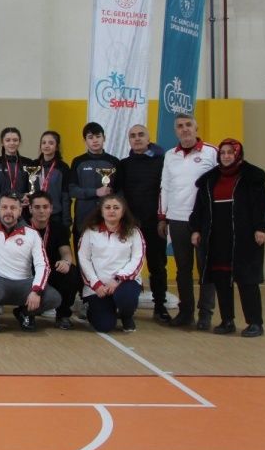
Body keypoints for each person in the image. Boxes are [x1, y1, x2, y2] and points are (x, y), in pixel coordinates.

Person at [190, 138, 265, 337]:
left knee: (247, 280)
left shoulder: (252, 177)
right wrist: (196, 229)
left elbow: (262, 204)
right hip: (217, 237)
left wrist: (261, 228)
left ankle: (255, 323)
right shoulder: (210, 179)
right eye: (223, 153)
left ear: (238, 155)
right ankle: (227, 321)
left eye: (230, 153)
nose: (226, 156)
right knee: (221, 279)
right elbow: (200, 208)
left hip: (244, 237)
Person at [159, 114, 219, 329]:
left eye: (188, 125)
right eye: (180, 126)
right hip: (177, 219)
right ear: (175, 131)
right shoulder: (170, 155)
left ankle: (205, 314)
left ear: (196, 128)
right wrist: (162, 217)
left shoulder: (212, 152)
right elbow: (165, 186)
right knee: (183, 269)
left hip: (204, 221)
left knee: (205, 269)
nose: (184, 129)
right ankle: (186, 313)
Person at [0, 193, 61, 332]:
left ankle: (25, 313)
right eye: (4, 207)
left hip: (25, 283)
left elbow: (43, 265)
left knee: (54, 298)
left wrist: (36, 291)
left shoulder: (32, 233)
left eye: (13, 208)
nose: (8, 211)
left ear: (20, 210)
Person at [116, 124, 170, 322]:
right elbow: (119, 194)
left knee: (157, 266)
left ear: (148, 139)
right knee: (124, 265)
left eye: (141, 135)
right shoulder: (123, 165)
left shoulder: (162, 162)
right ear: (129, 141)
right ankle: (123, 305)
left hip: (154, 224)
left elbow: (166, 191)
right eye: (132, 136)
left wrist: (163, 219)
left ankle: (160, 305)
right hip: (130, 225)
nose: (137, 138)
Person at [77, 194, 145, 333]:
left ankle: (126, 316)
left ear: (123, 211)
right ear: (101, 211)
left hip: (124, 282)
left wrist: (118, 279)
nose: (111, 211)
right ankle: (95, 308)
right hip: (98, 288)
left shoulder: (134, 231)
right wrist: (96, 284)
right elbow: (83, 259)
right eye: (107, 207)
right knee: (104, 326)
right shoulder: (90, 231)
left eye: (116, 207)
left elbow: (137, 259)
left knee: (126, 297)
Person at [27, 192, 79, 329]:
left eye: (45, 207)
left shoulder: (59, 228)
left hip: (50, 271)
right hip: (28, 272)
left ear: (51, 208)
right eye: (37, 207)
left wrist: (66, 262)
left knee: (71, 272)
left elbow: (66, 252)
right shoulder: (23, 227)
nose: (41, 211)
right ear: (30, 209)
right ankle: (26, 313)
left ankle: (63, 315)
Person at [69, 122, 119, 245]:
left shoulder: (114, 162)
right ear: (85, 140)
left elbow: (120, 191)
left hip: (108, 218)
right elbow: (72, 190)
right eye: (90, 137)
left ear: (104, 138)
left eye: (98, 136)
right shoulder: (78, 161)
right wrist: (95, 192)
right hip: (83, 217)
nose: (95, 140)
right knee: (82, 253)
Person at [34, 130, 72, 244]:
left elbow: (66, 196)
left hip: (55, 215)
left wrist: (66, 222)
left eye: (51, 143)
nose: (46, 145)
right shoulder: (33, 165)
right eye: (44, 142)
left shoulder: (63, 167)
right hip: (35, 214)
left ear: (57, 147)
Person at [0, 127, 34, 206]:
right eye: (8, 140)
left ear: (19, 142)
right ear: (2, 142)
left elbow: (31, 187)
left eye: (15, 140)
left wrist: (27, 198)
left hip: (23, 207)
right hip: (2, 207)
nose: (12, 143)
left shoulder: (28, 163)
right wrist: (5, 201)